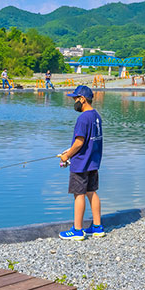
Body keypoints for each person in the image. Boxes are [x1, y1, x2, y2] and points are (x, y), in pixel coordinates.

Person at [58, 85, 104, 240]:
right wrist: (69, 151)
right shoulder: (96, 115)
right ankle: (97, 227)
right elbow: (89, 141)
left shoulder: (83, 118)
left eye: (75, 99)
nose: (74, 102)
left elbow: (79, 142)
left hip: (81, 163)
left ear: (82, 99)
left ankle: (77, 230)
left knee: (79, 194)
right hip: (93, 162)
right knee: (92, 192)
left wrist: (67, 156)